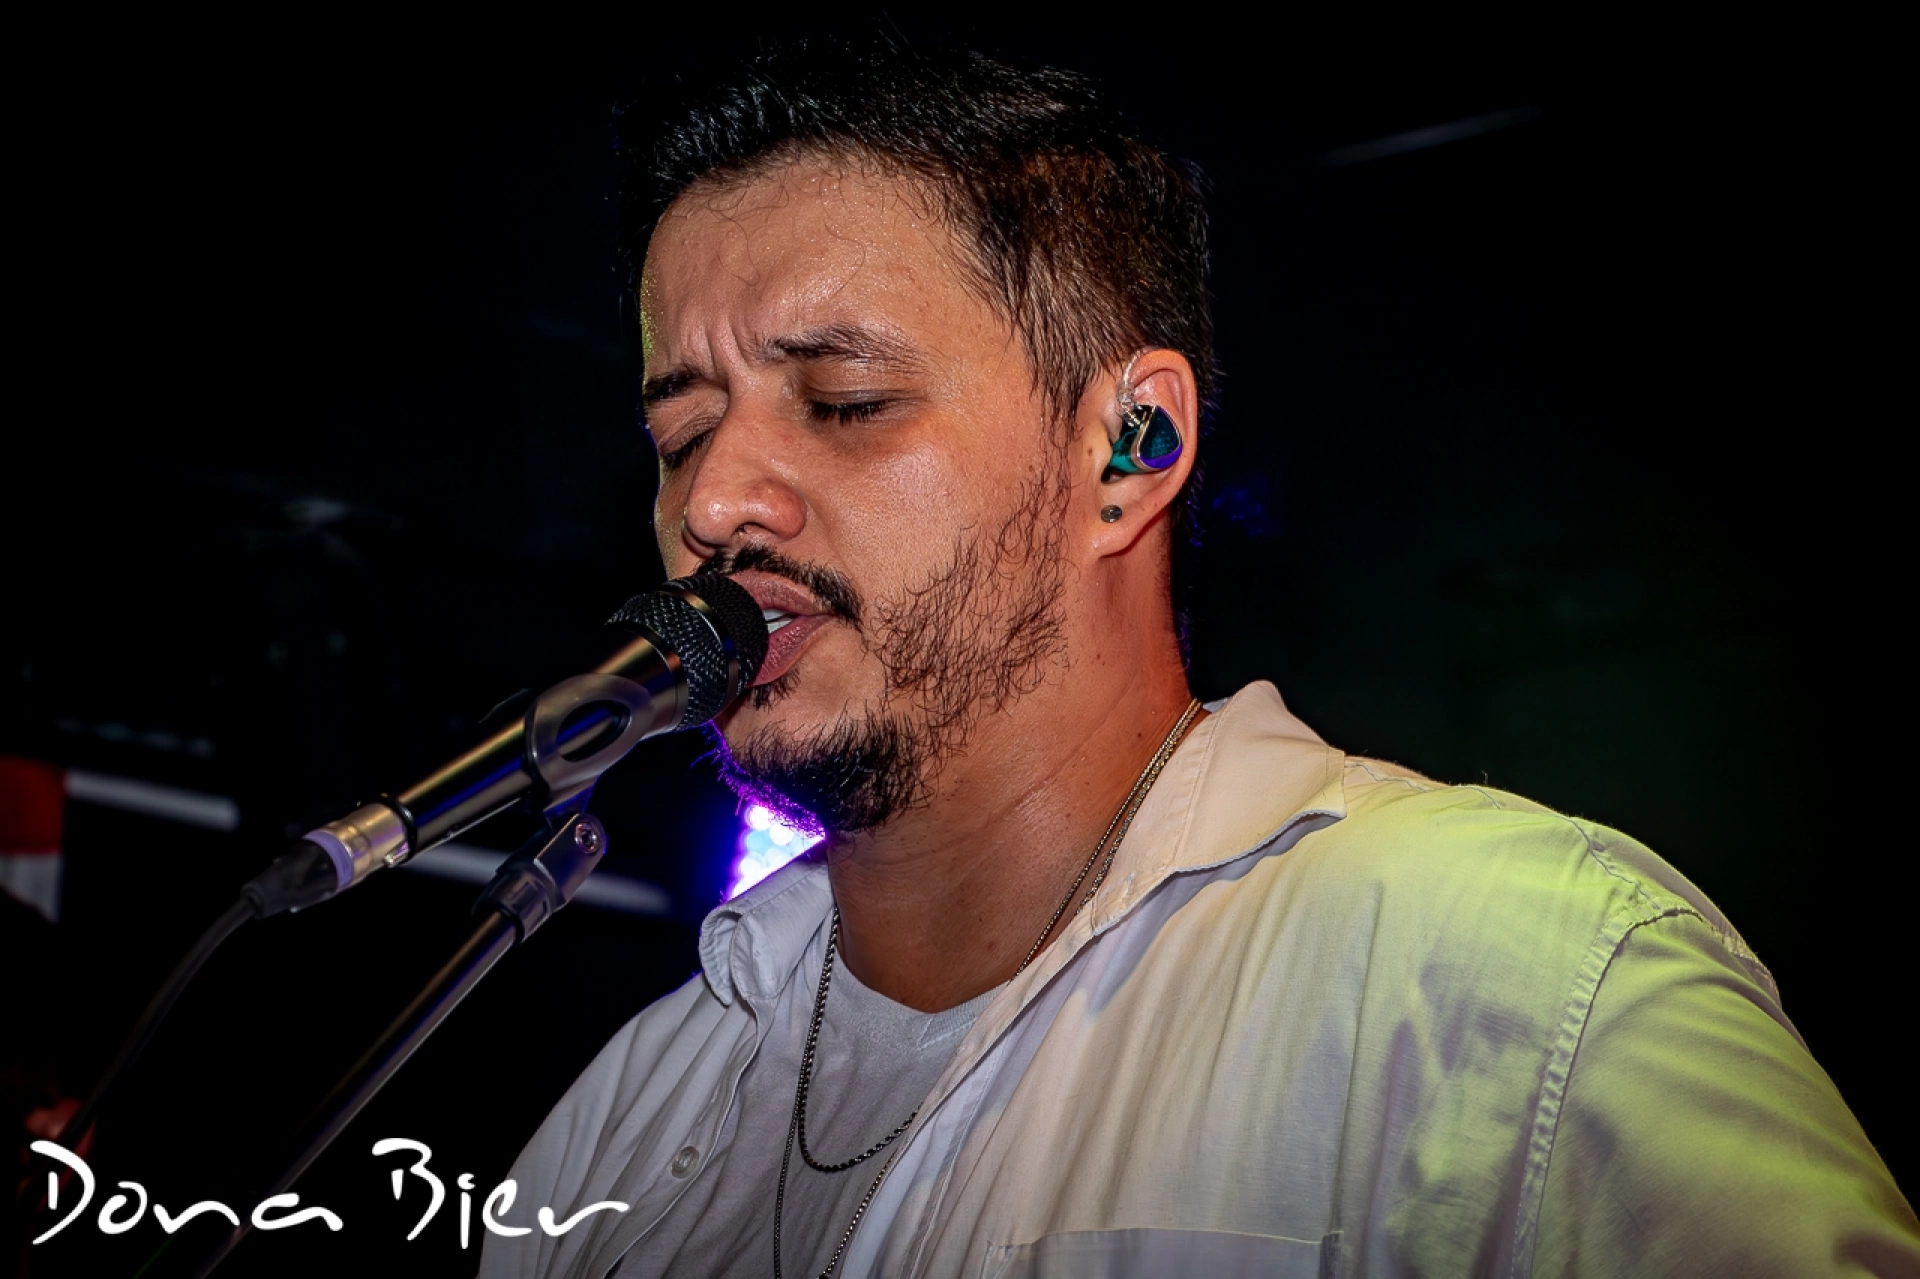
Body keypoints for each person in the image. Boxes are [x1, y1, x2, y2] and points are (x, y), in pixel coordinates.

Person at [479, 42, 1917, 1278]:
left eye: (844, 400)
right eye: (681, 433)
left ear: (1130, 448)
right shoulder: (614, 1132)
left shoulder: (1508, 976)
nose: (714, 503)